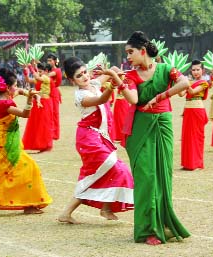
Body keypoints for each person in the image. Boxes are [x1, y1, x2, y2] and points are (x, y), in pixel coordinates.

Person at [120, 31, 191, 245]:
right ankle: (146, 228)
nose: (128, 57)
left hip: (163, 123)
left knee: (162, 175)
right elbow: (133, 99)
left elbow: (185, 83)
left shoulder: (165, 69)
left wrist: (161, 96)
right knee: (145, 177)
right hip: (140, 126)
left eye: (131, 52)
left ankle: (163, 225)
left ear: (143, 51)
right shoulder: (130, 75)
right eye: (127, 53)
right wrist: (117, 78)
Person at [58, 57, 134, 224]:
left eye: (85, 72)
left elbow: (114, 68)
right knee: (110, 170)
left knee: (104, 173)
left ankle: (103, 208)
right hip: (89, 139)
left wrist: (107, 71)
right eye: (79, 76)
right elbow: (101, 100)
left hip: (99, 136)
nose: (85, 77)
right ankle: (91, 210)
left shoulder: (94, 84)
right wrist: (113, 83)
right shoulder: (81, 95)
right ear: (72, 80)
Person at [0, 68, 52, 218]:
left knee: (26, 169)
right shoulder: (4, 103)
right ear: (7, 87)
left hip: (7, 139)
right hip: (3, 143)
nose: (16, 87)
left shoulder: (5, 94)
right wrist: (30, 100)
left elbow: (20, 90)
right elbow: (25, 114)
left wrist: (31, 95)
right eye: (14, 85)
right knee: (4, 175)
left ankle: (29, 205)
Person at [178, 60, 209, 170]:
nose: (195, 72)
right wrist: (177, 82)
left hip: (197, 110)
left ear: (203, 71)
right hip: (188, 110)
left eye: (198, 69)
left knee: (196, 137)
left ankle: (195, 163)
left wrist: (185, 82)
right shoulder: (189, 82)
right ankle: (187, 163)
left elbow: (192, 92)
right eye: (193, 70)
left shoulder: (204, 83)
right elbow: (181, 94)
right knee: (186, 137)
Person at [22, 62, 54, 152]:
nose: (39, 73)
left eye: (41, 71)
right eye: (38, 71)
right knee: (37, 124)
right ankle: (39, 144)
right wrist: (26, 71)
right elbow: (28, 80)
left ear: (45, 71)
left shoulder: (46, 78)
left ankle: (45, 145)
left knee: (44, 123)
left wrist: (31, 67)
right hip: (37, 102)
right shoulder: (41, 78)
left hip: (45, 102)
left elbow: (37, 77)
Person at [47, 53, 62, 140]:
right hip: (47, 93)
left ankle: (55, 134)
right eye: (48, 60)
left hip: (54, 93)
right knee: (49, 114)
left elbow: (47, 75)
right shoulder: (49, 70)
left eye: (50, 60)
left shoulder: (57, 71)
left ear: (55, 61)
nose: (48, 62)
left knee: (54, 114)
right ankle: (50, 132)